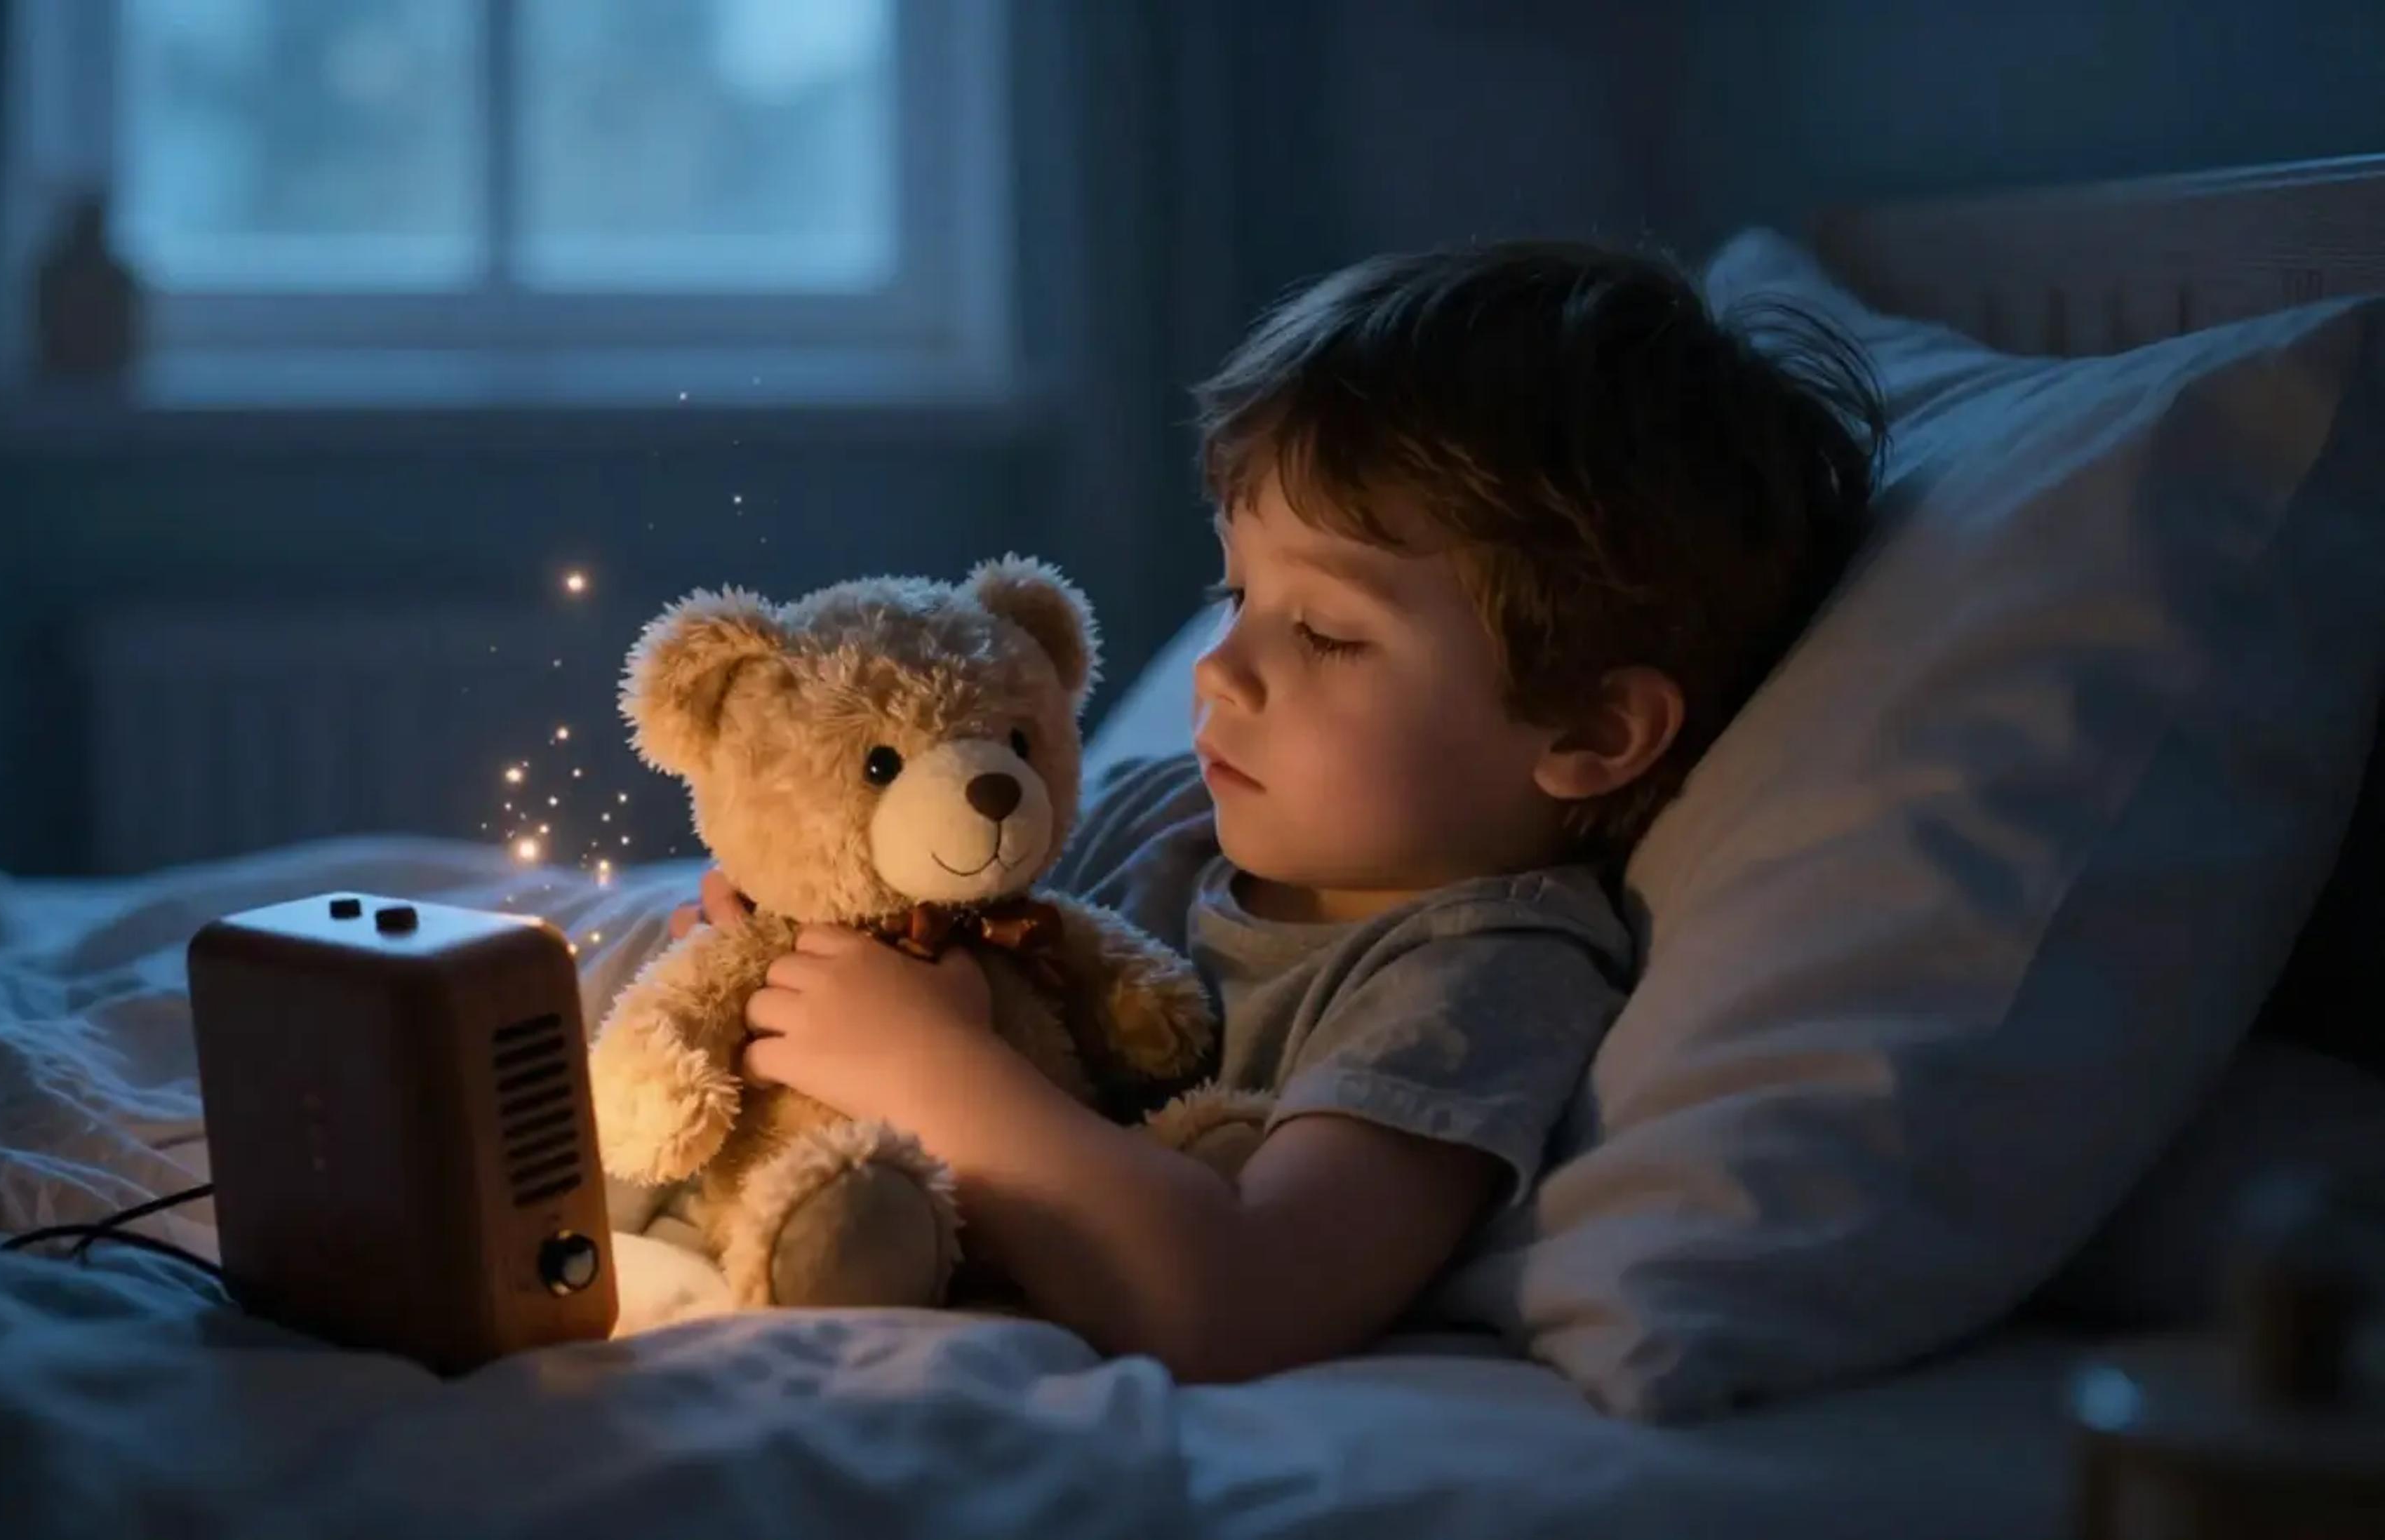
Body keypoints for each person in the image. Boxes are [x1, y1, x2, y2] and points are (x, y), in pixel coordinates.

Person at [671, 242, 1885, 1381]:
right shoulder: (1163, 818)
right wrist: (800, 956)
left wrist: (923, 1061)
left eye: (1326, 633)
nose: (1219, 668)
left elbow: (1242, 1293)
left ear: (1591, 734)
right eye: (1236, 589)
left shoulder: (1480, 974)